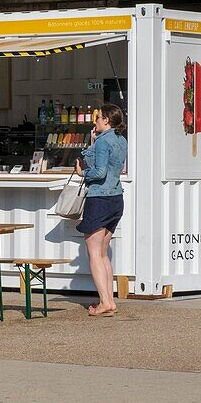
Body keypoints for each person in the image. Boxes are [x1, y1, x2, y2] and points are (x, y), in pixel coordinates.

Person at [75, 103, 128, 318]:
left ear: (106, 120)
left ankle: (105, 302)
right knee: (103, 252)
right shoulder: (121, 140)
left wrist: (82, 173)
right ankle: (110, 300)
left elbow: (98, 170)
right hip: (116, 197)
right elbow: (117, 168)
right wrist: (93, 142)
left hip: (100, 198)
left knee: (94, 252)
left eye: (98, 118)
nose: (95, 121)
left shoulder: (104, 141)